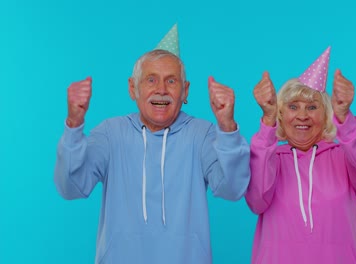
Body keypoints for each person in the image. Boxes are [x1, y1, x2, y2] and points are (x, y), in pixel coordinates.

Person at [54, 24, 250, 264]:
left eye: (171, 81)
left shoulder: (202, 134)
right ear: (132, 89)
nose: (161, 90)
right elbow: (71, 187)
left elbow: (232, 189)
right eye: (151, 80)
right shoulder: (110, 133)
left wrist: (227, 126)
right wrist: (74, 124)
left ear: (185, 91)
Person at [245, 47, 356, 263]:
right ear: (281, 114)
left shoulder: (344, 157)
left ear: (325, 114)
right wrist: (267, 124)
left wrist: (346, 118)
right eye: (293, 106)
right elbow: (256, 200)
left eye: (311, 107)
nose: (302, 116)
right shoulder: (270, 157)